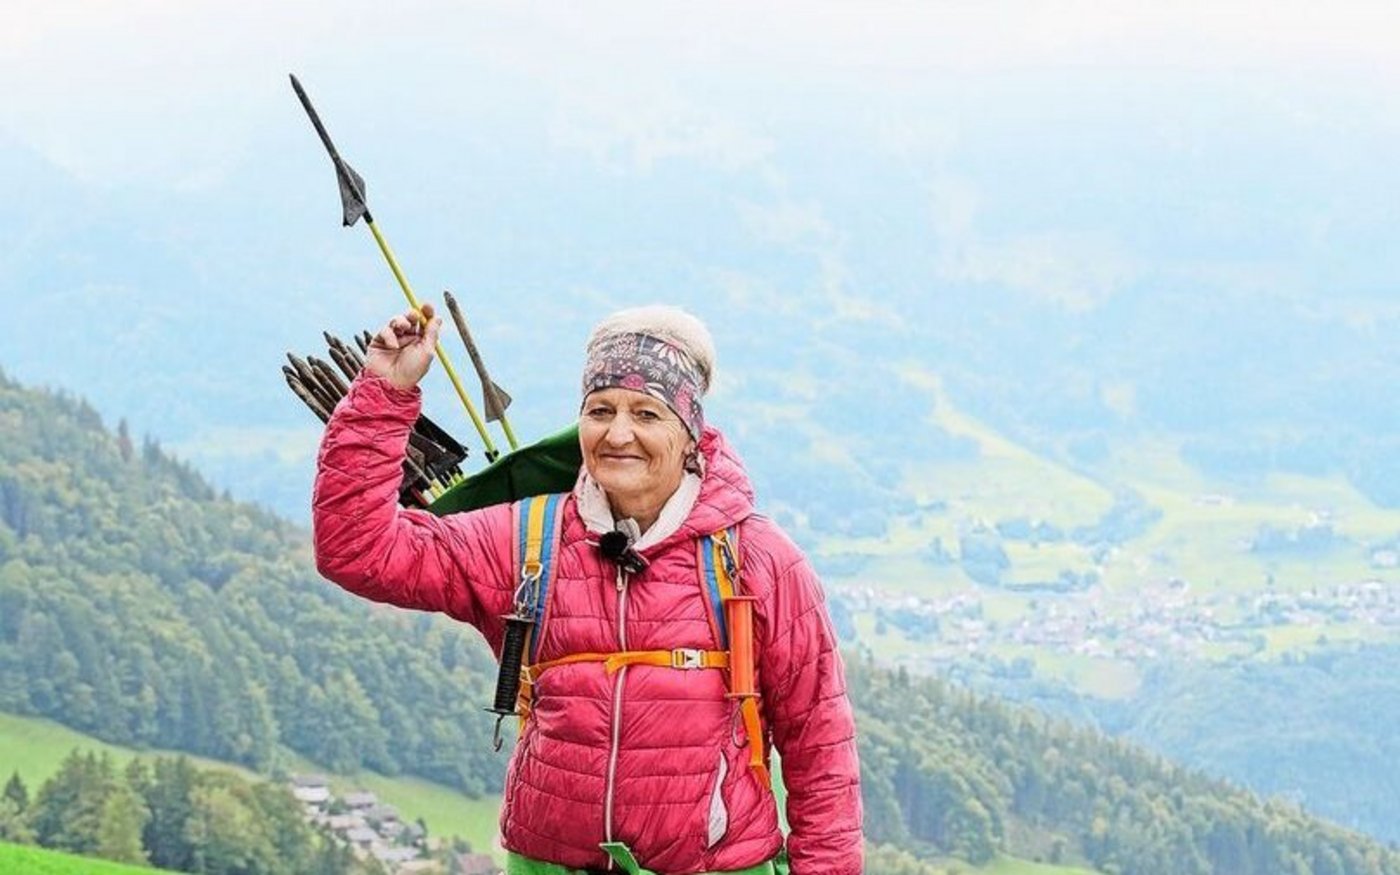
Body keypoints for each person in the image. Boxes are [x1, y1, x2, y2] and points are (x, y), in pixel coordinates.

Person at [313, 303, 862, 875]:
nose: (618, 433)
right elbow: (359, 551)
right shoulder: (527, 539)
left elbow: (820, 754)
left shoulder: (756, 561)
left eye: (647, 413)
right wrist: (385, 390)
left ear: (689, 431)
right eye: (600, 410)